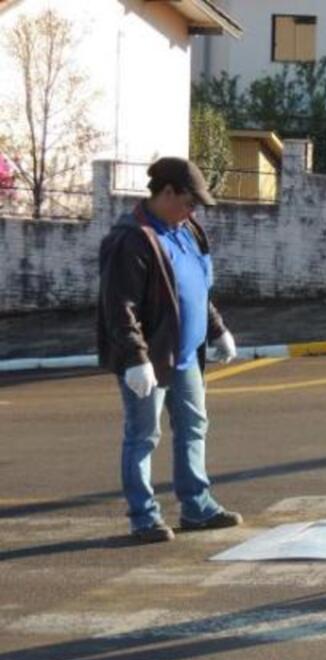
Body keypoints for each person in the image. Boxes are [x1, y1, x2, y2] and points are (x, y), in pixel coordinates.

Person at [98, 157, 242, 544]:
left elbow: (198, 287)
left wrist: (216, 330)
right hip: (149, 359)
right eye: (188, 201)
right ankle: (144, 518)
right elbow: (119, 306)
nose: (192, 210)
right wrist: (135, 359)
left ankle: (197, 507)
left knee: (194, 427)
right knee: (143, 436)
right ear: (166, 193)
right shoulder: (132, 239)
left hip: (186, 355)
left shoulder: (187, 230)